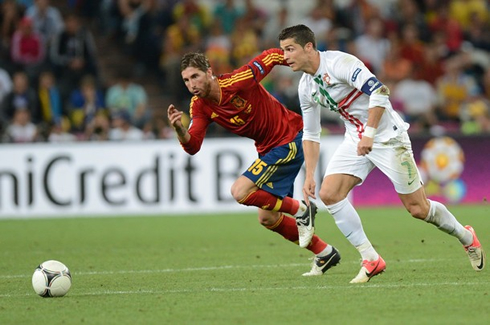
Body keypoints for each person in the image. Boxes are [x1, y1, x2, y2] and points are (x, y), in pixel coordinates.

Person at [277, 24, 485, 283]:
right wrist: (309, 175)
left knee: (418, 209)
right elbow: (311, 133)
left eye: (290, 49)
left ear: (308, 47)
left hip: (388, 137)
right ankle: (371, 258)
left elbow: (379, 91)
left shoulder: (340, 63)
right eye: (283, 50)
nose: (285, 56)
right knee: (330, 193)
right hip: (356, 138)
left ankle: (466, 237)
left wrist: (370, 133)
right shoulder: (306, 86)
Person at [167, 50, 340, 276]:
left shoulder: (236, 81)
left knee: (240, 191)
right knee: (268, 218)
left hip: (290, 137)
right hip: (269, 149)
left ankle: (301, 210)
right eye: (187, 80)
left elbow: (270, 56)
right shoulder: (199, 105)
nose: (192, 84)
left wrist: (311, 65)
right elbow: (193, 146)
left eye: (196, 76)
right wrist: (180, 129)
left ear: (209, 72)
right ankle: (324, 252)